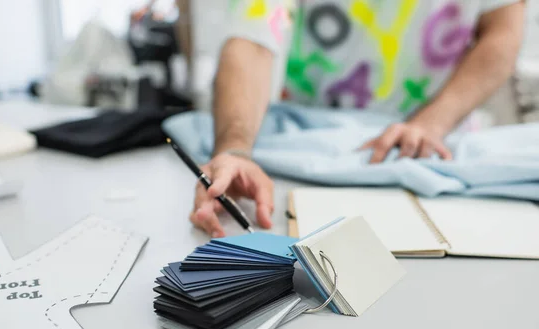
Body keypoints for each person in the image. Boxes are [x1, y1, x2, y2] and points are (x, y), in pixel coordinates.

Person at [188, 0, 525, 237]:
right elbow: (252, 38)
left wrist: (429, 124)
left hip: (438, 147)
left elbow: (502, 33)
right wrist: (235, 149)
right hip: (316, 150)